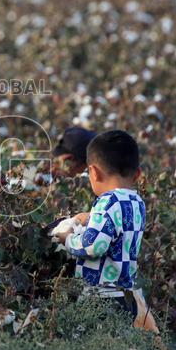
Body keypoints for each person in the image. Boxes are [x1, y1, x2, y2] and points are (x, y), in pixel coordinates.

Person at [53, 130, 158, 332]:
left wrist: (68, 238)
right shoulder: (137, 202)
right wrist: (91, 218)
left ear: (93, 172)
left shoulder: (107, 201)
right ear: (137, 174)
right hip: (126, 294)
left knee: (89, 339)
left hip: (101, 296)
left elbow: (93, 246)